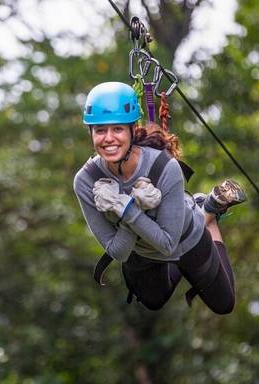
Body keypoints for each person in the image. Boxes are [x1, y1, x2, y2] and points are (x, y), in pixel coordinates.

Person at [72, 82, 247, 313]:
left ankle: (207, 212)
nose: (108, 138)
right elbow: (119, 251)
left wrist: (126, 209)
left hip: (184, 237)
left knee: (224, 305)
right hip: (142, 252)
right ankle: (204, 211)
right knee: (153, 301)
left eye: (117, 129)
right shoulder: (86, 181)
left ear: (132, 130)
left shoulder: (164, 167)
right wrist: (126, 208)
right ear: (91, 133)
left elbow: (167, 244)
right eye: (100, 130)